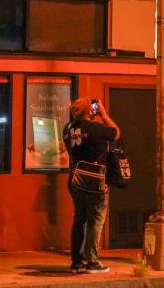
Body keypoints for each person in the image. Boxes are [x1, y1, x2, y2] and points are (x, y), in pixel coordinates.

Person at [63, 97, 120, 274]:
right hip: (95, 179)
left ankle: (77, 262)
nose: (95, 110)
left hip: (75, 178)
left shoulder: (68, 129)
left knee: (79, 219)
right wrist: (104, 115)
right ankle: (92, 262)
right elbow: (116, 133)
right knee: (96, 219)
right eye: (93, 108)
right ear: (89, 111)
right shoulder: (97, 128)